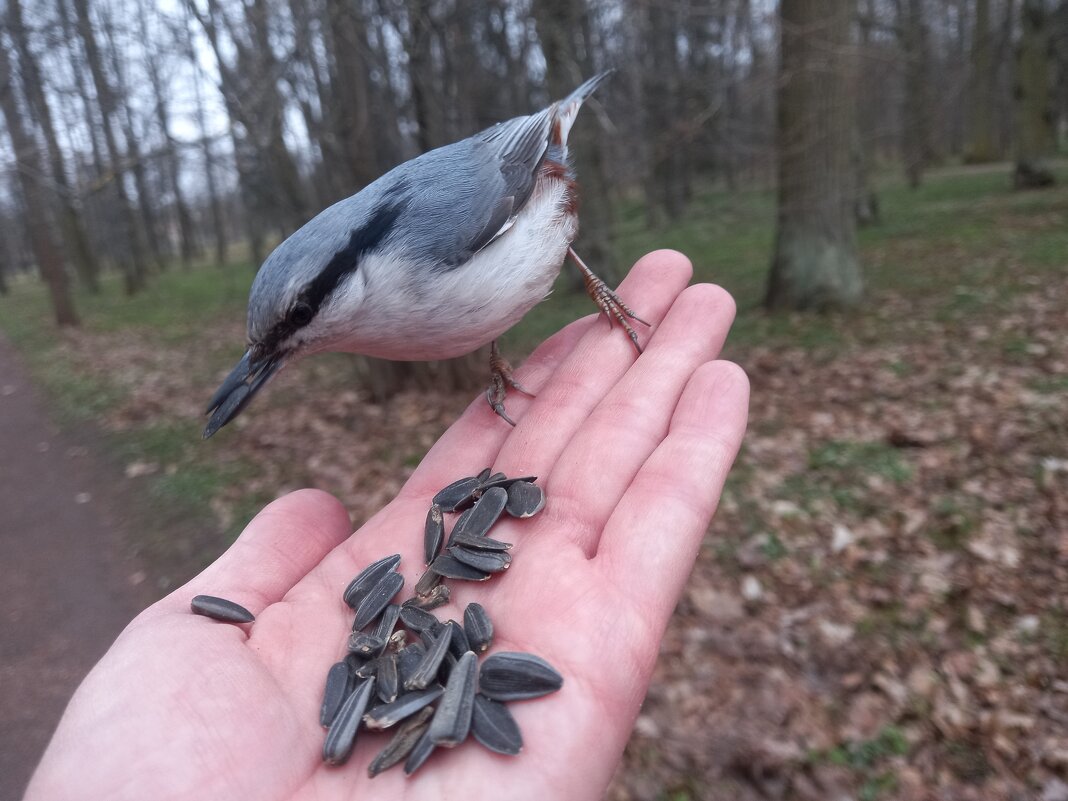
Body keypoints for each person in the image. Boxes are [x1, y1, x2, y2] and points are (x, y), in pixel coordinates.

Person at [25, 251, 749, 801]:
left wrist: (596, 290)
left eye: (301, 316)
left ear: (353, 275)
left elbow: (540, 209)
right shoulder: (383, 315)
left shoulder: (422, 258)